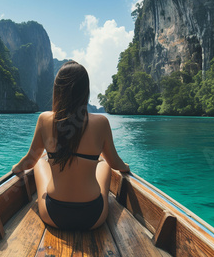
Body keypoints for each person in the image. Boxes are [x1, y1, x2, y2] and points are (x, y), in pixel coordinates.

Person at [11, 61, 129, 231]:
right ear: (85, 91)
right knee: (103, 164)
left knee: (40, 162)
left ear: (58, 91)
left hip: (54, 214)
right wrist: (126, 167)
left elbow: (29, 161)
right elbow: (116, 164)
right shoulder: (101, 122)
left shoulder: (44, 119)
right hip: (93, 217)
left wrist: (16, 167)